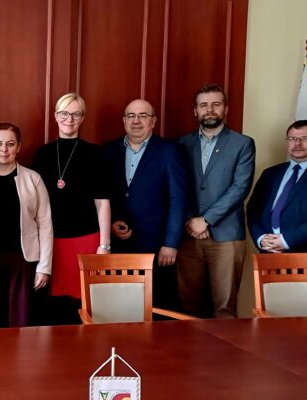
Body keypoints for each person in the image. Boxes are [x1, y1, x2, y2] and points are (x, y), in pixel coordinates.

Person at [176, 84, 255, 318]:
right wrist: (191, 220)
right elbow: (177, 189)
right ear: (195, 111)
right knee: (188, 307)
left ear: (225, 108)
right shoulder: (181, 144)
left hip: (226, 236)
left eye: (216, 104)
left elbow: (240, 188)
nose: (209, 110)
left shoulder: (243, 143)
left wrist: (206, 220)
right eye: (203, 105)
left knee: (225, 308)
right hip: (188, 235)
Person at [32, 93, 111, 324]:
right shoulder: (42, 154)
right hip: (51, 242)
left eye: (76, 114)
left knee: (85, 305)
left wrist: (104, 246)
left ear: (83, 118)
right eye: (65, 113)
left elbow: (102, 203)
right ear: (56, 116)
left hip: (86, 240)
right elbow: (33, 204)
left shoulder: (95, 154)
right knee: (52, 307)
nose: (70, 119)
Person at [104, 99, 190, 310]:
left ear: (153, 121)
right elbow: (104, 195)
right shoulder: (108, 151)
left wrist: (170, 243)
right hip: (119, 247)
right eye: (131, 116)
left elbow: (178, 200)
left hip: (157, 248)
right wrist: (112, 222)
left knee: (157, 308)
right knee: (120, 307)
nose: (136, 121)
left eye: (143, 116)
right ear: (124, 120)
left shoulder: (171, 151)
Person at [247, 120, 307, 305]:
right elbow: (253, 210)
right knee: (272, 315)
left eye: (305, 138)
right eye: (292, 139)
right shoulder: (271, 173)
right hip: (270, 258)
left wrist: (286, 240)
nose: (297, 144)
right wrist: (261, 238)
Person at [0, 122, 53, 327]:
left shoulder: (33, 179)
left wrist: (44, 267)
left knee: (21, 322)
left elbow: (45, 225)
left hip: (23, 262)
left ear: (18, 147)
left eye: (10, 144)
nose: (4, 149)